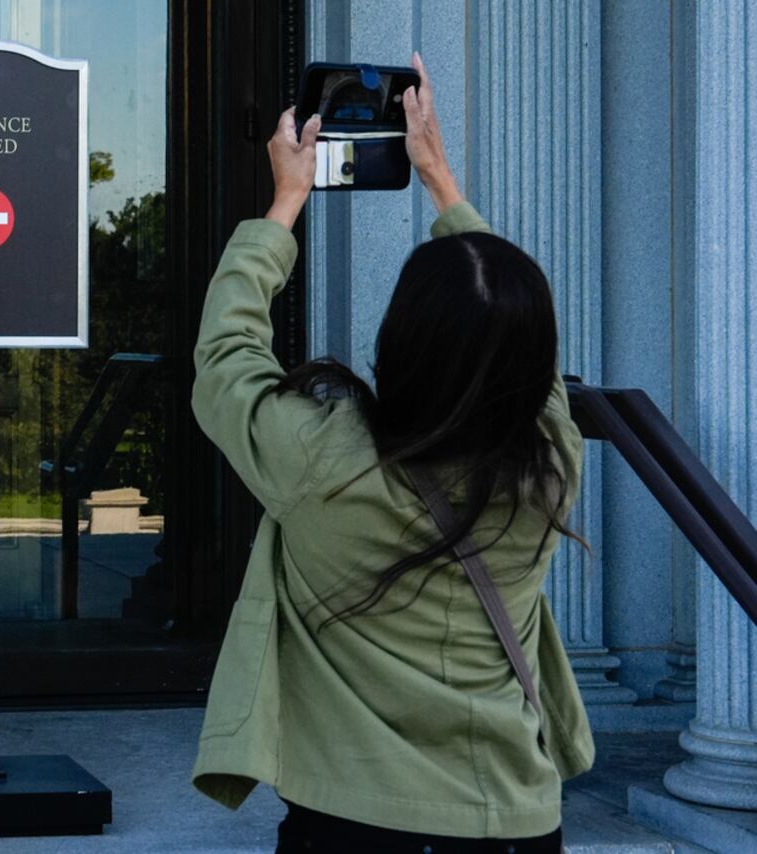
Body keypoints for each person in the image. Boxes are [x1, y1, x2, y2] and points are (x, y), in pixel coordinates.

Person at [189, 53, 593, 853]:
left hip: (354, 823)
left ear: (400, 340)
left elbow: (227, 355)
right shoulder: (551, 462)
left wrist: (286, 199)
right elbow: (521, 352)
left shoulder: (320, 455)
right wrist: (439, 178)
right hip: (513, 822)